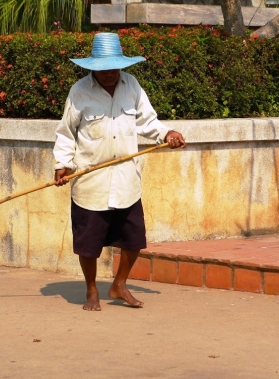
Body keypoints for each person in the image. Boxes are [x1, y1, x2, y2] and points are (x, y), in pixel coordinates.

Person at [53, 32, 186, 311]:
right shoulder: (79, 91)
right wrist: (62, 164)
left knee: (134, 238)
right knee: (88, 244)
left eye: (115, 67)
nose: (110, 73)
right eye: (104, 69)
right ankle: (91, 289)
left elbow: (149, 121)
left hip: (126, 178)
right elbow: (66, 133)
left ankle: (119, 284)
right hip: (91, 178)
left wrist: (167, 134)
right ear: (93, 68)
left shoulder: (132, 86)